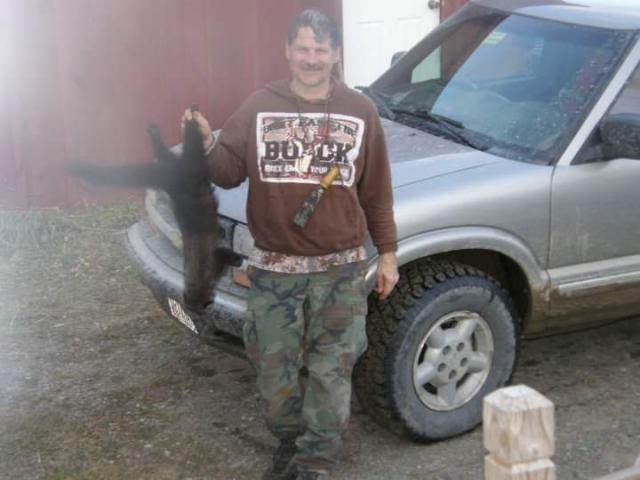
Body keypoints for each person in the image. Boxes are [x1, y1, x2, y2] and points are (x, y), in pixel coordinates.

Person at [182, 9, 398, 480]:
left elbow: (377, 191)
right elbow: (228, 171)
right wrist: (206, 143)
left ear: (336, 54)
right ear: (287, 51)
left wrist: (387, 254)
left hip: (340, 271)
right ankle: (289, 441)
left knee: (331, 369)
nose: (311, 58)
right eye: (303, 48)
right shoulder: (260, 106)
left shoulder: (360, 111)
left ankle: (316, 460)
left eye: (321, 50)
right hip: (275, 269)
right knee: (272, 368)